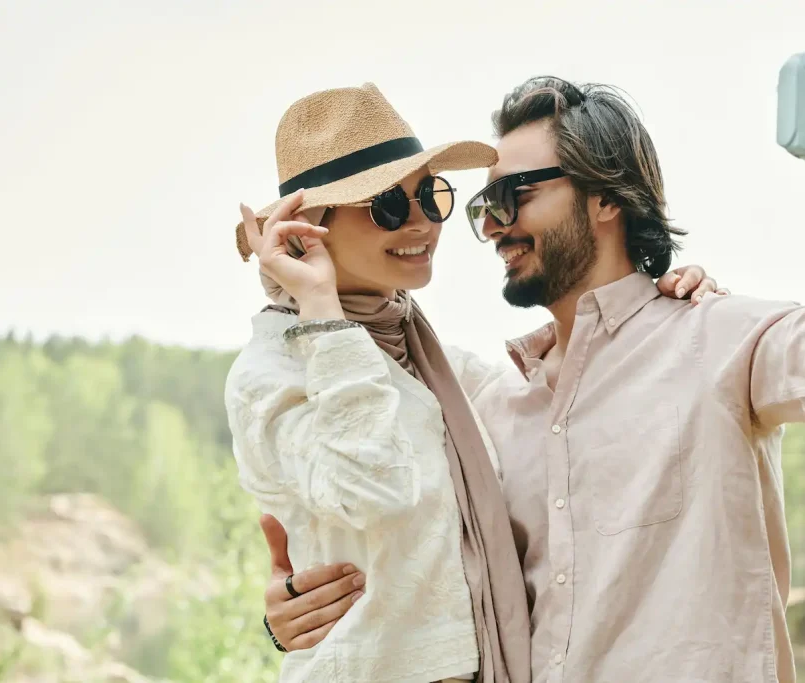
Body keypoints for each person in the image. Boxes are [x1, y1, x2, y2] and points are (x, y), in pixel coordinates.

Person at [262, 45, 805, 682]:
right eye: (481, 206)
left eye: (513, 196)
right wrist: (288, 613)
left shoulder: (715, 337)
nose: (491, 224)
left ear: (607, 197)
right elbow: (421, 561)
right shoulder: (489, 407)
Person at [225, 84, 724, 683]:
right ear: (309, 229)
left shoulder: (435, 366)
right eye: (387, 205)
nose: (421, 223)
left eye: (430, 197)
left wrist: (657, 297)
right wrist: (322, 312)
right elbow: (369, 488)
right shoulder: (272, 372)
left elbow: (570, 392)